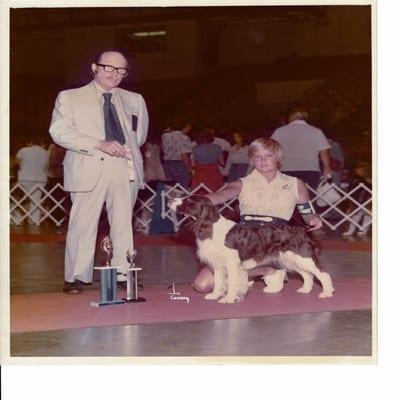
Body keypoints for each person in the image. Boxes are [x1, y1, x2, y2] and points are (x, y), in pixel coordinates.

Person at [49, 50, 149, 294]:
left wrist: (125, 151)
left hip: (124, 166)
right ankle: (76, 277)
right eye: (108, 68)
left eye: (121, 70)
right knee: (83, 223)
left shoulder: (135, 99)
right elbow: (59, 132)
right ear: (94, 67)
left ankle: (123, 273)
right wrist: (98, 143)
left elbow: (140, 136)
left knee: (123, 222)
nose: (114, 74)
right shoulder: (70, 97)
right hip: (89, 162)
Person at [193, 137, 323, 293]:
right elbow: (222, 195)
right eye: (258, 157)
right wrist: (197, 202)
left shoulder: (295, 184)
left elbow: (307, 213)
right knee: (203, 285)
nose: (263, 161)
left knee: (229, 274)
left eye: (268, 156)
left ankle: (260, 270)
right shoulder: (241, 183)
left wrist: (314, 219)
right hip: (246, 242)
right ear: (252, 160)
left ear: (278, 158)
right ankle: (267, 271)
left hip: (276, 242)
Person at [271, 105, 332, 190]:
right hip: (310, 170)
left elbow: (271, 150)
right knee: (308, 197)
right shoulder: (316, 131)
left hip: (286, 169)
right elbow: (324, 152)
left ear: (291, 116)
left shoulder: (279, 131)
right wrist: (327, 168)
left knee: (287, 198)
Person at [14, 138, 50, 225]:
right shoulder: (45, 152)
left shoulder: (23, 150)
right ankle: (34, 220)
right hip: (40, 180)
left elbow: (16, 162)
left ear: (30, 142)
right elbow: (46, 167)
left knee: (21, 200)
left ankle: (17, 219)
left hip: (25, 179)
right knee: (36, 201)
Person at [191, 128, 224, 192]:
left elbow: (192, 164)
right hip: (213, 171)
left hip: (200, 171)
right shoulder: (217, 147)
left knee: (200, 191)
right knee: (215, 190)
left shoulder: (196, 148)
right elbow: (222, 163)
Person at [161, 121, 192, 188]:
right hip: (180, 165)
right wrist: (189, 168)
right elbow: (184, 155)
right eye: (188, 128)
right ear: (184, 127)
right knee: (182, 188)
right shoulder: (185, 138)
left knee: (168, 189)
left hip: (167, 164)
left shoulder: (164, 136)